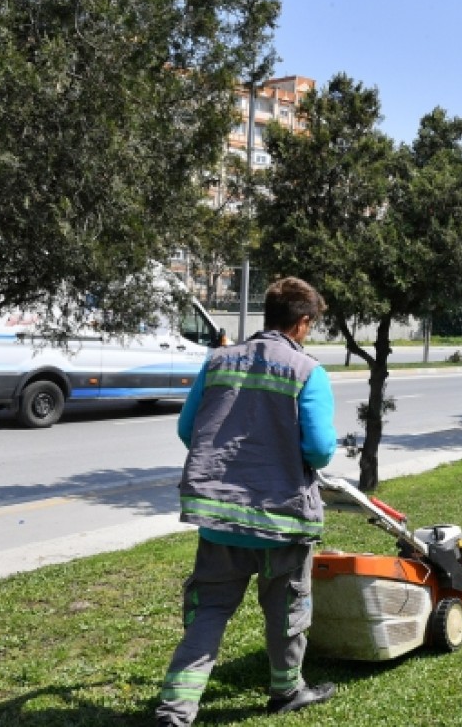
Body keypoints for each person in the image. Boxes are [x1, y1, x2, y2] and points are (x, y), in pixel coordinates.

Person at [156, 277, 338, 725]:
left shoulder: (217, 362)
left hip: (220, 520)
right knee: (286, 608)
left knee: (209, 610)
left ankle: (175, 710)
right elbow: (319, 450)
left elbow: (188, 430)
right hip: (283, 519)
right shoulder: (307, 371)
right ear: (302, 323)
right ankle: (286, 690)